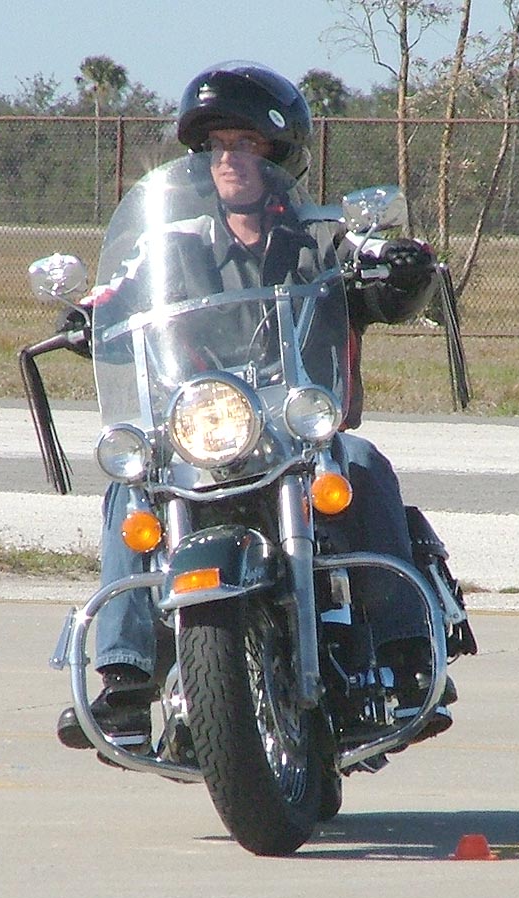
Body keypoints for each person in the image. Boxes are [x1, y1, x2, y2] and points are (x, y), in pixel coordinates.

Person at [56, 61, 452, 753]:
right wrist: (85, 316)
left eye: (245, 143)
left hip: (297, 428)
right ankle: (123, 677)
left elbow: (387, 277)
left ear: (281, 153)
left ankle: (405, 653)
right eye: (215, 145)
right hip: (202, 429)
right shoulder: (169, 243)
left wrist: (403, 268)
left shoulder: (325, 237)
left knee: (361, 463)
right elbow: (115, 297)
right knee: (130, 492)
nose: (228, 159)